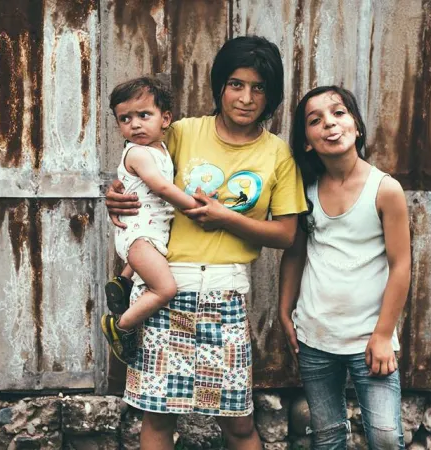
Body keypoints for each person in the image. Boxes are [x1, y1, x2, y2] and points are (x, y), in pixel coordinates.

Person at [106, 35, 307, 450]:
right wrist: (115, 196)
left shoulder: (277, 154)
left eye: (259, 87)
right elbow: (137, 172)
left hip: (225, 295)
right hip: (164, 290)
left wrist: (225, 218)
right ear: (220, 87)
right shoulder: (182, 132)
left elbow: (287, 234)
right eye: (236, 84)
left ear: (271, 95)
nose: (246, 98)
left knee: (237, 422)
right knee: (157, 417)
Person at [278, 85, 410, 449]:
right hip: (315, 335)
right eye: (315, 120)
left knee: (385, 436)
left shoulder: (385, 190)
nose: (329, 123)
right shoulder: (305, 190)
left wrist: (383, 335)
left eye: (338, 113)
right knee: (327, 435)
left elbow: (401, 266)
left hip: (370, 337)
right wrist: (284, 310)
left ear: (357, 126)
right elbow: (295, 253)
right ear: (307, 142)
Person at [102, 77, 199, 365]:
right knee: (165, 289)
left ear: (165, 119)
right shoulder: (138, 153)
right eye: (125, 119)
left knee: (154, 260)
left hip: (149, 232)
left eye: (144, 115)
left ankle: (123, 281)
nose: (134, 125)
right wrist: (194, 207)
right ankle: (121, 326)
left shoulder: (160, 150)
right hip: (139, 235)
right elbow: (162, 188)